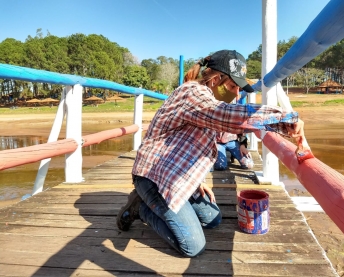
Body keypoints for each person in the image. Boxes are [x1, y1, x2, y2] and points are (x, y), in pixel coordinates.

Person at [116, 49, 305, 258]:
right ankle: (140, 208)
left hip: (175, 174)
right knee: (192, 246)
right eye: (233, 86)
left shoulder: (207, 98)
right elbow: (224, 116)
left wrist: (197, 180)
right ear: (215, 80)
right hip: (154, 176)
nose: (236, 94)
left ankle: (168, 205)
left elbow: (192, 144)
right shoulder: (193, 94)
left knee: (212, 219)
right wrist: (284, 119)